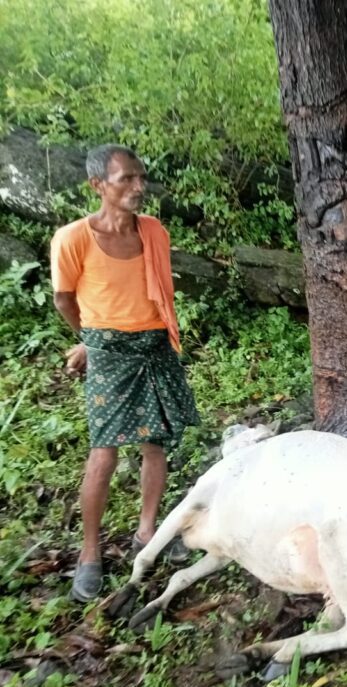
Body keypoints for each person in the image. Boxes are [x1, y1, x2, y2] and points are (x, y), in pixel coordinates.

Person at [51, 144, 199, 602]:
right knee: (104, 452)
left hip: (154, 346)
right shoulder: (73, 239)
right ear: (98, 185)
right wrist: (90, 341)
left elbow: (153, 294)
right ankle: (89, 553)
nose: (139, 187)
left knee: (155, 445)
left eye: (141, 177)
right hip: (110, 354)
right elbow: (64, 299)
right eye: (126, 179)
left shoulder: (153, 231)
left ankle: (147, 532)